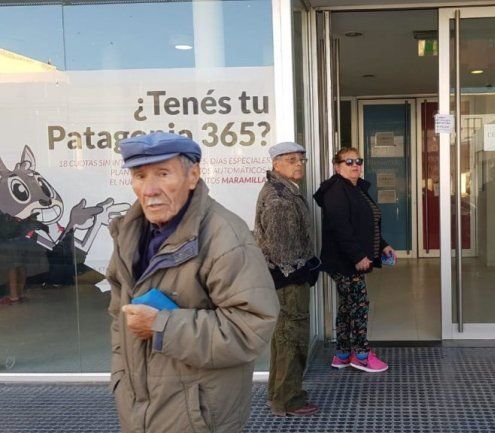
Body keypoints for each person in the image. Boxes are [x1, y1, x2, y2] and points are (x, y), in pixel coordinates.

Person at [107, 132, 279, 433]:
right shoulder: (129, 233)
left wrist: (162, 326)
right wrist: (120, 375)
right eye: (140, 176)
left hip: (198, 415)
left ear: (193, 176)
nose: (150, 189)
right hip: (136, 411)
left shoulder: (225, 236)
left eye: (163, 174)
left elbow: (252, 326)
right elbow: (117, 316)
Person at [313, 147, 394, 373]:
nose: (355, 165)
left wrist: (383, 244)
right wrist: (358, 256)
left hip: (350, 258)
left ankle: (342, 354)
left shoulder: (355, 188)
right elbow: (341, 228)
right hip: (345, 261)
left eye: (358, 161)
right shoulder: (336, 190)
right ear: (336, 166)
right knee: (359, 305)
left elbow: (365, 224)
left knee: (348, 307)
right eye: (348, 162)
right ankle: (361, 355)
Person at [254, 142, 321, 417]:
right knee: (292, 338)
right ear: (276, 164)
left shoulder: (284, 189)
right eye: (291, 159)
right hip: (289, 281)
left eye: (301, 159)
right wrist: (304, 270)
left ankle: (278, 394)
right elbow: (282, 251)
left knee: (284, 337)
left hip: (288, 278)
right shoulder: (279, 198)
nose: (298, 164)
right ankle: (288, 400)